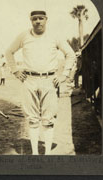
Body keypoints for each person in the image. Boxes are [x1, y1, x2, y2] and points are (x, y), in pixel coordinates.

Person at [5, 10, 76, 155]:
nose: (38, 21)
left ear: (46, 19)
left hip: (49, 81)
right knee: (32, 119)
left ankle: (47, 154)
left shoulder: (54, 36)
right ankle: (35, 154)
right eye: (34, 19)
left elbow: (70, 54)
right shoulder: (24, 35)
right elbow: (9, 52)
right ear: (31, 20)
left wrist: (64, 74)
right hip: (29, 80)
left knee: (48, 120)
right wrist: (15, 70)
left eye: (41, 18)